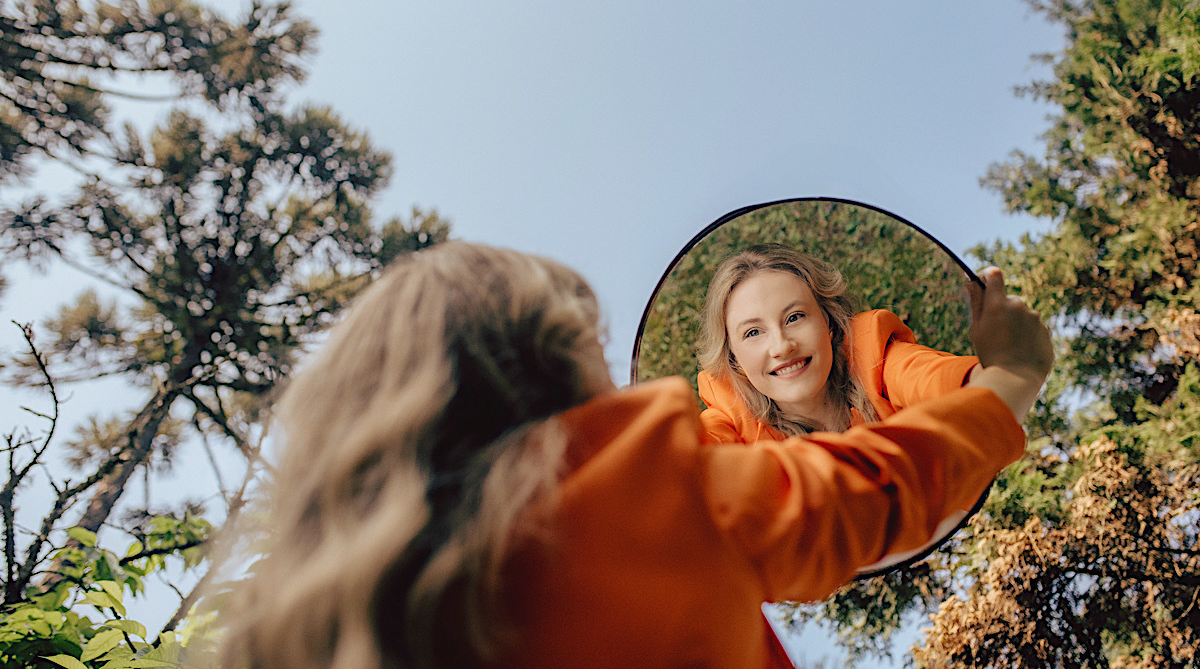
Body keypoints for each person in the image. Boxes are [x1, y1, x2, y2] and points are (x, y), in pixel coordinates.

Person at [217, 241, 1052, 669]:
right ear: (556, 361)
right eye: (590, 339)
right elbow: (873, 486)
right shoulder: (646, 495)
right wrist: (1015, 373)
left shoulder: (300, 626)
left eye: (794, 318)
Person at [697, 243, 983, 443]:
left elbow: (947, 381)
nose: (782, 347)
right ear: (734, 358)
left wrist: (1000, 370)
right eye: (753, 333)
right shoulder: (730, 417)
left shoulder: (876, 356)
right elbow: (691, 465)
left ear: (829, 323)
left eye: (795, 317)